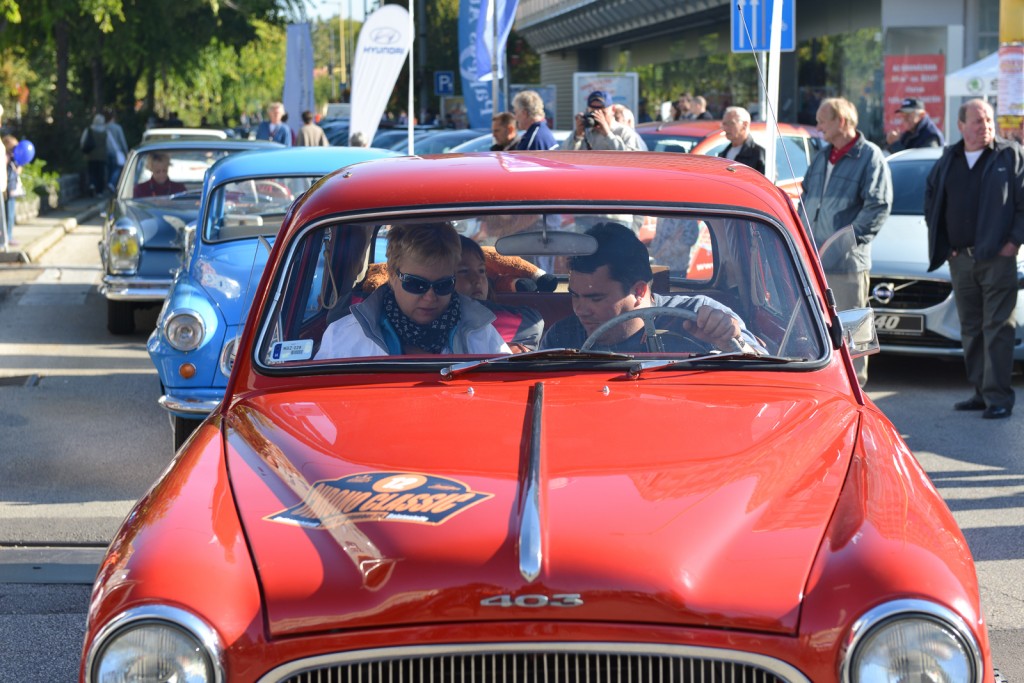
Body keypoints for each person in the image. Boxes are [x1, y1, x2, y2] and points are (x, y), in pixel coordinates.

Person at [924, 98, 1024, 420]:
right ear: (961, 125)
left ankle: (998, 397)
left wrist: (1013, 243)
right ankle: (981, 392)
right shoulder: (948, 158)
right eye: (978, 121)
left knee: (998, 327)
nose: (986, 127)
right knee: (971, 328)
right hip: (961, 260)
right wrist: (946, 247)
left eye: (989, 120)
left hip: (997, 259)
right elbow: (932, 200)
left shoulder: (1009, 155)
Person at [539, 222, 764, 354]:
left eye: (595, 298)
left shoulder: (701, 317)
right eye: (575, 296)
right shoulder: (561, 338)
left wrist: (730, 343)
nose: (579, 309)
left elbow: (767, 375)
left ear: (639, 291)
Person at [800, 96, 892, 386]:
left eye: (822, 121)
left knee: (854, 331)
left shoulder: (870, 156)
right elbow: (805, 199)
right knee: (818, 329)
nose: (818, 127)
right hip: (815, 262)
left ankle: (857, 389)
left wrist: (845, 243)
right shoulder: (821, 157)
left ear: (841, 121)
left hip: (848, 264)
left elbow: (878, 207)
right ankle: (828, 387)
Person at [315, 223, 511, 358]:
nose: (430, 297)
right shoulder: (344, 335)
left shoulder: (480, 332)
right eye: (416, 284)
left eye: (443, 285)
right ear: (392, 276)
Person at [456, 236, 544, 351]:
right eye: (464, 271)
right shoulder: (466, 315)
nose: (477, 279)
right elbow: (533, 324)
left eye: (482, 271)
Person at [567, 90, 644, 151]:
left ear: (613, 110)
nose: (597, 117)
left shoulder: (625, 132)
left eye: (602, 112)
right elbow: (565, 156)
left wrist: (608, 134)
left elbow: (632, 159)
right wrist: (577, 136)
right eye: (593, 112)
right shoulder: (586, 132)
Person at [718, 106, 766, 174]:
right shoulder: (723, 154)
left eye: (731, 123)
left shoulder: (760, 155)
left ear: (745, 125)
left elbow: (768, 180)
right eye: (724, 124)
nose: (725, 128)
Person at [81, 113, 109, 197]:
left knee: (92, 171)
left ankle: (92, 184)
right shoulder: (105, 131)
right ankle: (99, 191)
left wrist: (84, 150)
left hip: (91, 155)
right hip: (102, 156)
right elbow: (109, 144)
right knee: (100, 173)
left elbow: (83, 141)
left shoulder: (89, 130)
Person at [104, 109, 129, 192]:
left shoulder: (104, 128)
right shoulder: (117, 128)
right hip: (116, 152)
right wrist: (126, 152)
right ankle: (111, 183)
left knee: (110, 169)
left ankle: (110, 185)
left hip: (107, 152)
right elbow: (122, 141)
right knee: (117, 168)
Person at [3, 135, 20, 246]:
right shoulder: (5, 157)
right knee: (8, 215)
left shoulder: (14, 159)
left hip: (12, 189)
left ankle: (9, 235)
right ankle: (7, 237)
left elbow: (17, 172)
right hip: (7, 189)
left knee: (11, 214)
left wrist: (19, 164)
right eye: (13, 148)